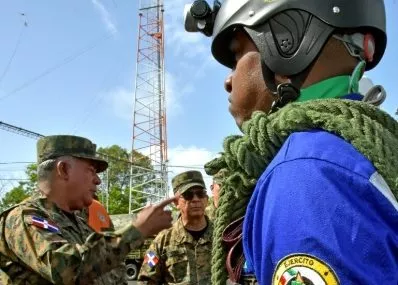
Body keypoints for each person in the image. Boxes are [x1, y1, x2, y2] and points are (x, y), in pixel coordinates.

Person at [185, 0, 398, 284]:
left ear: (288, 45)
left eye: (237, 55)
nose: (228, 80)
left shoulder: (305, 173)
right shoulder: (360, 146)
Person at [0, 135, 176, 285]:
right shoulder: (23, 218)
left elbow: (110, 272)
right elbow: (66, 269)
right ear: (64, 169)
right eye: (91, 171)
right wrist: (138, 230)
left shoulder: (80, 223)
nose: (98, 181)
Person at [137, 170, 213, 284]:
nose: (196, 199)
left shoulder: (222, 236)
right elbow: (146, 280)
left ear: (206, 199)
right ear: (176, 203)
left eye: (200, 193)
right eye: (188, 195)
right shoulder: (162, 241)